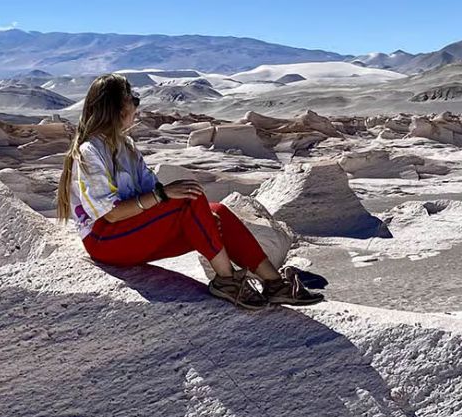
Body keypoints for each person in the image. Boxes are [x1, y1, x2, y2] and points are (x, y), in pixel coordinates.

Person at [55, 73, 322, 310]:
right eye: (132, 100)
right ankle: (227, 281)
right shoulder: (90, 151)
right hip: (106, 240)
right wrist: (165, 196)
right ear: (115, 108)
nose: (136, 107)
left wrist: (200, 216)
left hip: (130, 231)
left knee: (215, 210)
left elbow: (151, 189)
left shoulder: (125, 147)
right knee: (185, 203)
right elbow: (111, 214)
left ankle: (274, 283)